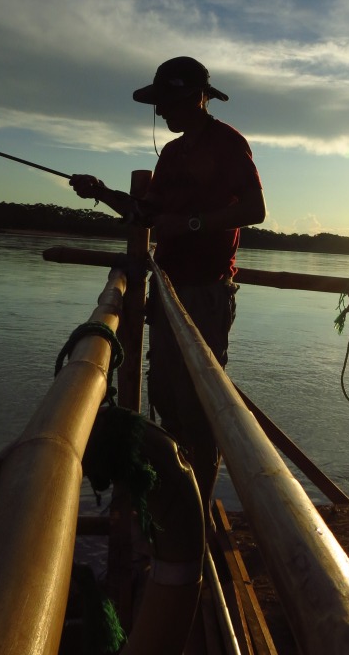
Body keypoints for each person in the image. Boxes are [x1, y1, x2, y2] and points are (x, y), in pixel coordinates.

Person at [70, 56, 265, 519]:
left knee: (199, 407)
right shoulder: (172, 155)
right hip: (168, 290)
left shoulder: (228, 143)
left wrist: (192, 223)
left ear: (197, 98)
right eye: (158, 103)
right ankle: (178, 501)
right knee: (165, 397)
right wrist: (101, 192)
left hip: (207, 292)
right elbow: (146, 213)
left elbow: (255, 210)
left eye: (167, 101)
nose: (160, 111)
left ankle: (198, 512)